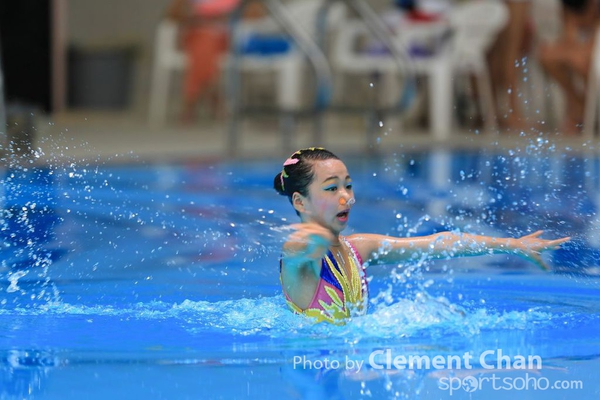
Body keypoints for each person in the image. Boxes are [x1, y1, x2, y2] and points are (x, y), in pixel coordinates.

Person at [273, 147, 570, 325]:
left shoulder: (357, 248)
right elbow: (295, 247)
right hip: (309, 368)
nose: (346, 197)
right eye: (331, 188)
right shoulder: (301, 259)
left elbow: (439, 244)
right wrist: (311, 236)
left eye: (347, 186)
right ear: (300, 202)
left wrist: (512, 245)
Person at [166, 0, 264, 123]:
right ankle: (212, 96)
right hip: (197, 34)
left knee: (205, 45)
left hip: (229, 37)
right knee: (205, 43)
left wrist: (226, 18)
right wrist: (197, 18)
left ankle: (192, 101)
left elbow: (257, 16)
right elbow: (172, 17)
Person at [538, 0, 600, 135]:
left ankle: (584, 108)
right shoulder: (571, 4)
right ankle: (579, 103)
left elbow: (592, 50)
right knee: (547, 57)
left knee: (583, 62)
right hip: (587, 52)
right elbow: (569, 40)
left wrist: (571, 52)